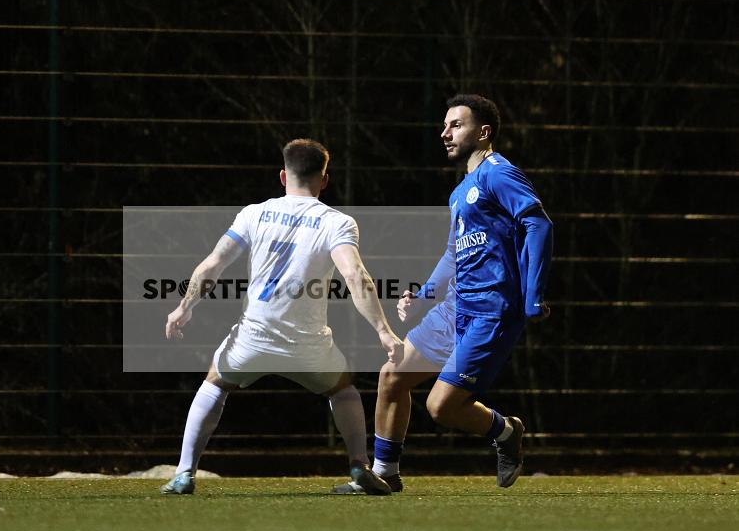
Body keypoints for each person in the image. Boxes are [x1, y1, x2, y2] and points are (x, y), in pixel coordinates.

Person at [160, 138, 404, 496]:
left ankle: (184, 473)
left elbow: (213, 264)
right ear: (324, 180)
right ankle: (359, 466)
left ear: (282, 176)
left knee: (215, 383)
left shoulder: (254, 213)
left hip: (252, 337)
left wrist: (185, 306)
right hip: (309, 343)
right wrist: (383, 330)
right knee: (344, 390)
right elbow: (355, 276)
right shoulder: (337, 222)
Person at [345, 94, 554, 493]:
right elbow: (454, 252)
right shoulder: (460, 192)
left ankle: (506, 431)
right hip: (454, 308)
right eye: (444, 126)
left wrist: (533, 293)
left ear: (484, 132)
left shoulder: (498, 174)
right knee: (392, 376)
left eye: (456, 125)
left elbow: (538, 224)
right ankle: (384, 473)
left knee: (440, 407)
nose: (445, 133)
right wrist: (424, 295)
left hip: (491, 310)